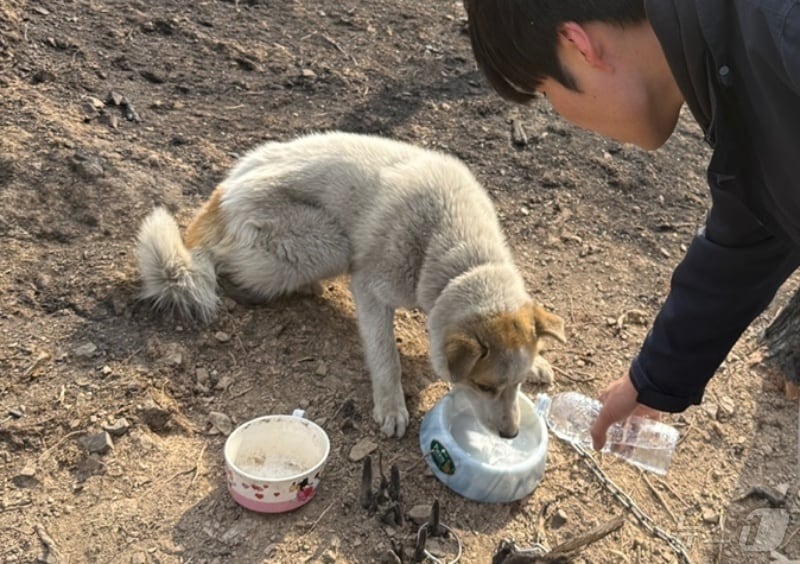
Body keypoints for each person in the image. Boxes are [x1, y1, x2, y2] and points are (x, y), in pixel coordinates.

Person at [462, 0, 800, 450]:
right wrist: (654, 377)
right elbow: (753, 225)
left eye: (546, 93)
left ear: (578, 45)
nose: (559, 112)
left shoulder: (782, 36)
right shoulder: (735, 54)